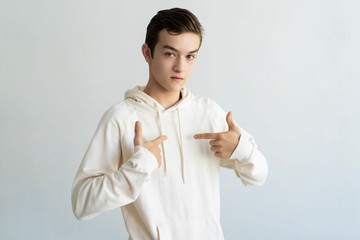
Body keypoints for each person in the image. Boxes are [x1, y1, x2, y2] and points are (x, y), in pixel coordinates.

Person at [71, 8, 268, 240]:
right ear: (147, 53)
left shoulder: (208, 113)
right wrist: (139, 166)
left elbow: (258, 176)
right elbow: (82, 204)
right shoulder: (121, 118)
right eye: (170, 54)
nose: (180, 67)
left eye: (190, 56)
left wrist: (241, 149)